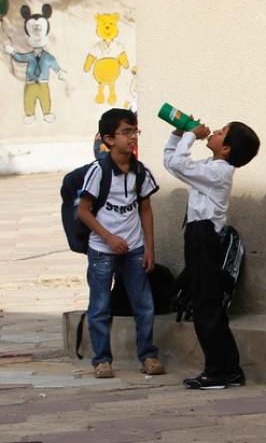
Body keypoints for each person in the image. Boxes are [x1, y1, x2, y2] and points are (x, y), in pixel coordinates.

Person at [163, 118, 260, 390]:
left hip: (204, 238)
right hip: (198, 235)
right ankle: (230, 370)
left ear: (226, 149)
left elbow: (180, 164)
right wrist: (177, 133)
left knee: (206, 308)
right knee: (210, 306)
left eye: (220, 133)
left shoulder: (219, 172)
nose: (214, 132)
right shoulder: (210, 167)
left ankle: (216, 373)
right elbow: (173, 164)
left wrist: (191, 137)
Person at [77, 108, 164, 379]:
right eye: (125, 132)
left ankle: (148, 355)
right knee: (101, 306)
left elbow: (146, 209)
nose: (132, 137)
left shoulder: (141, 172)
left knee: (144, 304)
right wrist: (109, 238)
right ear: (108, 139)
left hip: (135, 248)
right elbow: (83, 210)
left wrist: (149, 247)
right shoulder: (99, 171)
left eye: (135, 131)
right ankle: (102, 360)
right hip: (103, 250)